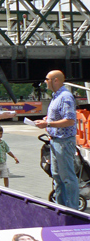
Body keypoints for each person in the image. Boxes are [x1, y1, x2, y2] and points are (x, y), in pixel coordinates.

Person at [34, 70, 79, 209]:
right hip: (56, 141)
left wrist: (47, 124)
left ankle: (72, 210)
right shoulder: (56, 96)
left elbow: (70, 121)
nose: (45, 82)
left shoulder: (65, 97)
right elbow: (62, 117)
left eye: (47, 79)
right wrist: (48, 120)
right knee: (57, 176)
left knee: (67, 178)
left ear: (56, 80)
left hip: (64, 142)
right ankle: (61, 207)